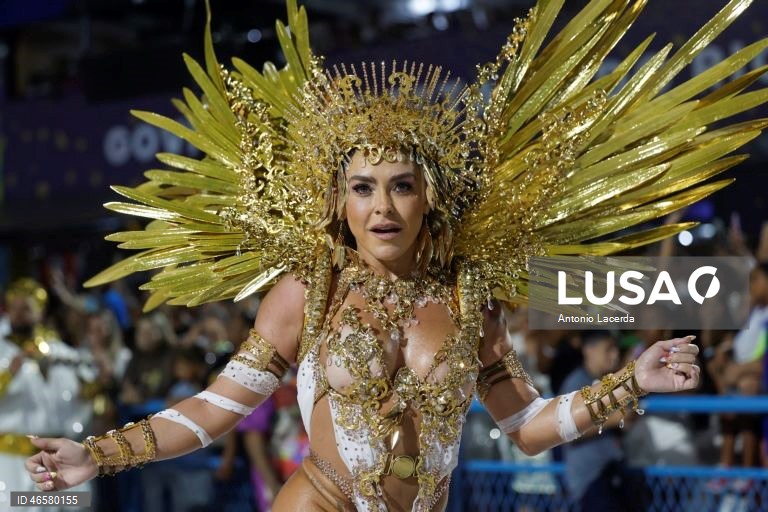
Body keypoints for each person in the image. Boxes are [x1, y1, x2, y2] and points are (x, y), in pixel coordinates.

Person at [21, 0, 768, 510]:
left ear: (428, 197)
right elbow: (217, 411)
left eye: (402, 186)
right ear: (339, 201)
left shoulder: (471, 297)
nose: (382, 208)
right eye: (363, 187)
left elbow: (528, 427)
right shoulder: (307, 290)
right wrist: (101, 454)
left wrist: (628, 384)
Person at [0, 279, 95, 512]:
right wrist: (9, 374)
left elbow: (86, 393)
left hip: (59, 458)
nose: (20, 314)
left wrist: (99, 383)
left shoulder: (61, 352)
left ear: (40, 311)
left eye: (27, 308)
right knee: (17, 507)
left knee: (72, 507)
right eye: (15, 308)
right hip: (14, 461)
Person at [560, 331, 636, 511]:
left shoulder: (608, 382)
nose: (615, 354)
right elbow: (567, 431)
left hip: (614, 470)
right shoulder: (576, 385)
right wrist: (612, 420)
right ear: (589, 350)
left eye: (616, 348)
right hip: (591, 477)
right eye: (608, 349)